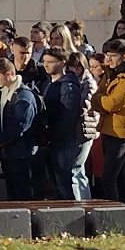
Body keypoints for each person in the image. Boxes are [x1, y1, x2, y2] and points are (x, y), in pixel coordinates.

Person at [94, 38, 125, 204]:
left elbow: (111, 104)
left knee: (108, 178)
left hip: (121, 134)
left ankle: (113, 213)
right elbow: (98, 95)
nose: (108, 60)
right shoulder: (111, 73)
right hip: (107, 130)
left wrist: (100, 100)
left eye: (113, 56)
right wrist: (101, 99)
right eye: (107, 55)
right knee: (119, 177)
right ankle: (124, 209)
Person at [38, 49, 89, 201]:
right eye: (44, 61)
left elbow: (67, 116)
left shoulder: (69, 85)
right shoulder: (47, 83)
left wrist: (51, 136)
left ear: (62, 63)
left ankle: (71, 216)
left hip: (64, 140)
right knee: (54, 182)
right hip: (50, 139)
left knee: (63, 182)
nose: (46, 65)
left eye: (50, 62)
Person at [0, 58, 39, 201]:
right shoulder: (5, 91)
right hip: (8, 151)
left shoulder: (24, 96)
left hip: (20, 151)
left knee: (21, 190)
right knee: (12, 190)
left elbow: (21, 125)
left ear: (8, 74)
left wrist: (0, 138)